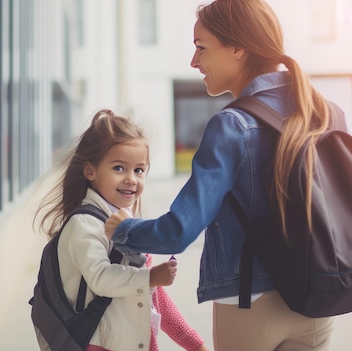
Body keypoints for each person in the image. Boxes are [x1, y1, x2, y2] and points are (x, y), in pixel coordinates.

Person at [104, 1, 345, 350]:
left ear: (237, 48)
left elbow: (179, 230)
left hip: (249, 302)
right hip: (319, 296)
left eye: (201, 47)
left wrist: (122, 230)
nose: (193, 61)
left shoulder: (231, 125)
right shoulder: (327, 112)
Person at [34, 109, 208, 351]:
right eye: (119, 168)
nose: (131, 179)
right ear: (90, 171)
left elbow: (154, 298)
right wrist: (150, 277)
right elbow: (101, 278)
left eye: (138, 170)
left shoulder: (127, 223)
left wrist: (194, 344)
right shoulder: (84, 224)